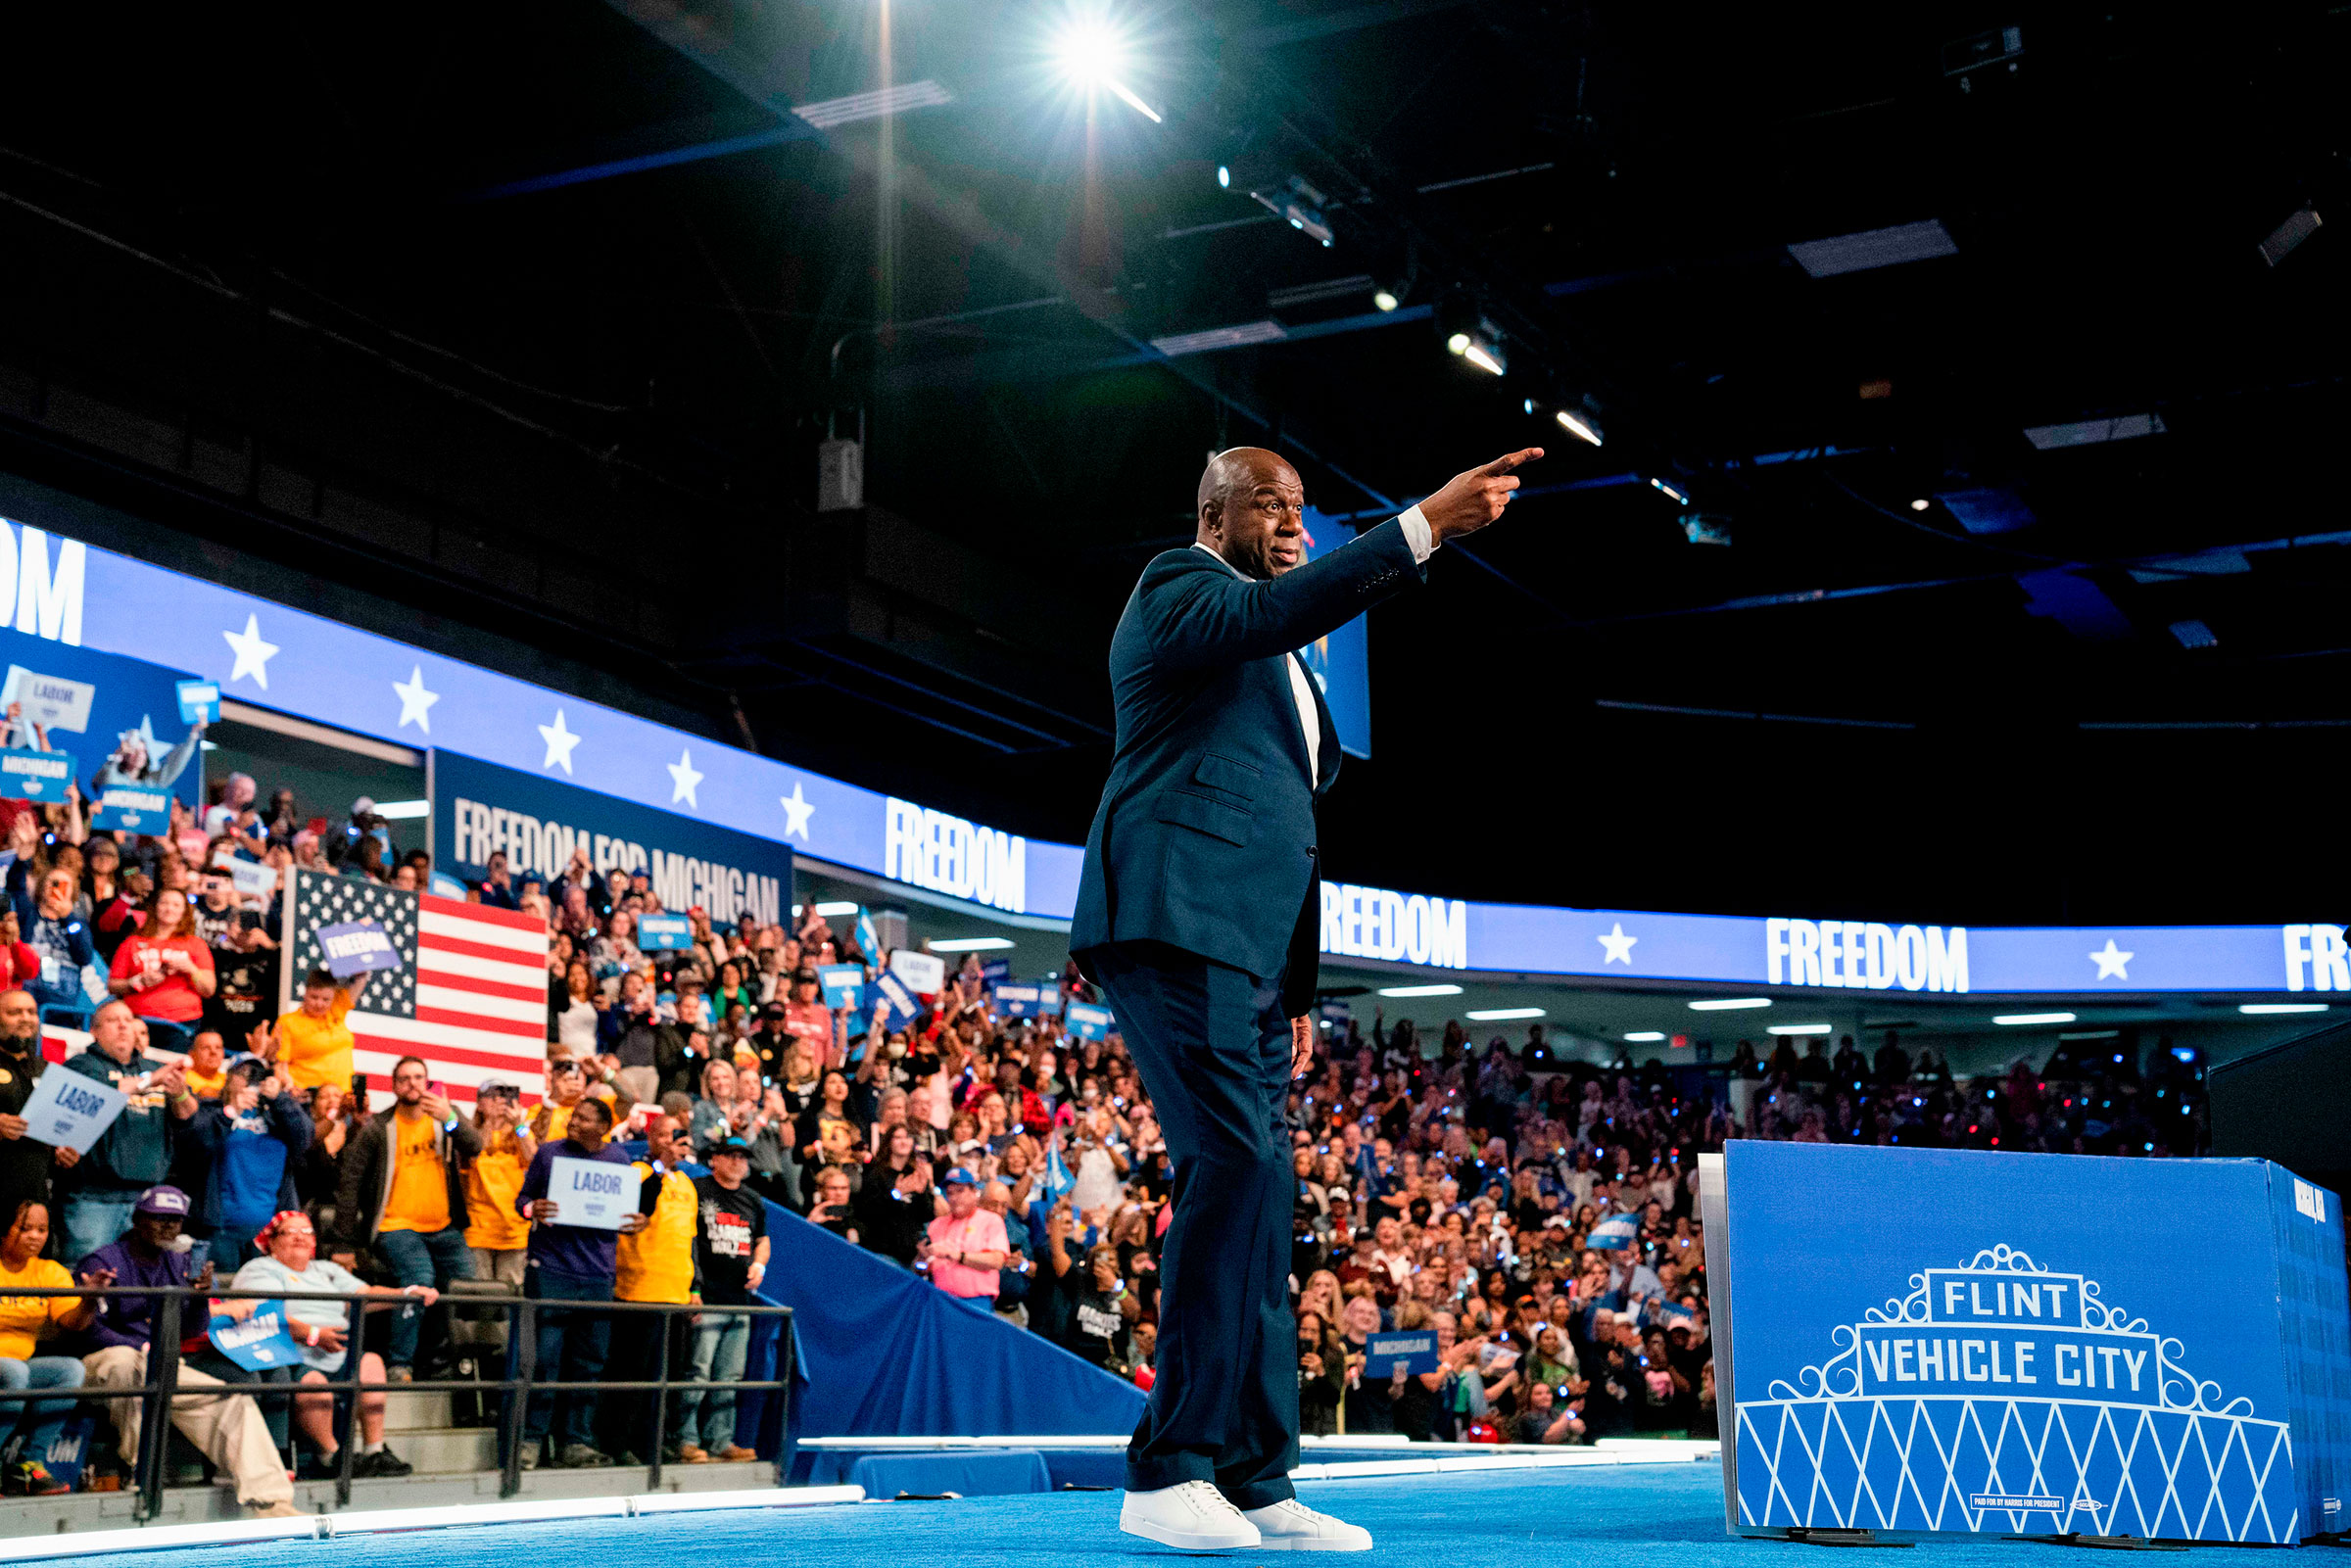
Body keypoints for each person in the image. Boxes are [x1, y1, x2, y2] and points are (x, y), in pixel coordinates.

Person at [1069, 444, 1537, 1551]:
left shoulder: (1289, 661)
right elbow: (1278, 610)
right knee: (1232, 1164)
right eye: (1267, 503)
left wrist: (1298, 991)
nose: (1291, 520)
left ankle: (1257, 1474)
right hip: (1169, 918)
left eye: (1301, 507)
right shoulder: (1179, 588)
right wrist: (1423, 523)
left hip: (1249, 954)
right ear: (1212, 511)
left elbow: (1291, 829)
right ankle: (1168, 1467)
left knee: (1265, 1191)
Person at [74, 1185, 302, 1517]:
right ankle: (143, 1478)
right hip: (105, 1360)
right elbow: (87, 1330)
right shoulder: (105, 1261)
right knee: (130, 1365)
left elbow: (193, 1329)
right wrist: (133, 1344)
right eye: (159, 1218)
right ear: (138, 1220)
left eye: (175, 1220)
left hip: (161, 1361)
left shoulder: (179, 1263)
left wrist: (199, 1297)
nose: (168, 1226)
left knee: (232, 1399)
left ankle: (272, 1503)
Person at [220, 1211, 426, 1478]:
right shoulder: (260, 1269)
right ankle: (332, 1456)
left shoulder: (326, 1270)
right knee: (315, 1384)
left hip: (337, 1351)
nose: (300, 1237)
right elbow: (265, 1313)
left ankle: (374, 1451)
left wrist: (407, 1294)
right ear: (271, 1242)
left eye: (306, 1232)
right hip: (289, 1354)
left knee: (372, 1363)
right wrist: (313, 1334)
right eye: (290, 1232)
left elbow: (364, 1295)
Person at [513, 1094, 646, 1469]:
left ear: (604, 1128)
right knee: (544, 1361)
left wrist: (638, 1222)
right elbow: (522, 1199)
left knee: (590, 1362)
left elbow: (630, 1215)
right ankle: (531, 1441)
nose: (574, 1123)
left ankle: (576, 1441)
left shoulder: (620, 1161)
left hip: (599, 1276)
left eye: (585, 1119)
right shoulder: (549, 1153)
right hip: (551, 1270)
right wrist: (530, 1209)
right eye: (574, 1116)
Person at [329, 1057, 481, 1379]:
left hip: (444, 1228)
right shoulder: (378, 1128)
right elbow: (349, 1184)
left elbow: (475, 1146)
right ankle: (401, 1363)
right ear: (395, 1086)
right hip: (395, 1227)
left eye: (418, 1077)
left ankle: (442, 1361)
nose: (412, 1083)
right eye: (405, 1078)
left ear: (427, 1082)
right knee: (419, 1280)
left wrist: (451, 1116)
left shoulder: (444, 1117)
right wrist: (343, 1243)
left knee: (464, 1286)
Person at [55, 1000, 201, 1264]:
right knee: (86, 1271)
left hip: (147, 1199)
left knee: (142, 1277)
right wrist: (151, 1081)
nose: (123, 1025)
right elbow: (103, 1093)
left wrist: (179, 1093)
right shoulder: (82, 1066)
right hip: (93, 1196)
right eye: (113, 1020)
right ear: (94, 1031)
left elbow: (188, 1114)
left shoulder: (153, 1069)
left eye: (128, 1019)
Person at [605, 1112, 698, 1464]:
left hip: (676, 1295)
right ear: (651, 1139)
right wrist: (660, 1167)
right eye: (665, 1136)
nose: (673, 1143)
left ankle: (655, 1444)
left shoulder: (688, 1185)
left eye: (678, 1137)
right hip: (638, 1292)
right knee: (632, 1377)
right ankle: (619, 1444)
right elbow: (636, 1207)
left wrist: (695, 1287)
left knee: (669, 1380)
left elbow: (690, 1240)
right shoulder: (639, 1173)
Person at [0, 1200, 103, 1495]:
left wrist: (89, 1299)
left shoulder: (49, 1272)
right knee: (15, 1373)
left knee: (69, 1370)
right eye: (25, 1228)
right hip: (9, 1368)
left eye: (42, 1229)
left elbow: (72, 1323)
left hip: (18, 1365)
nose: (35, 1236)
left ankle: (29, 1465)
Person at [679, 1134, 767, 1464]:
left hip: (739, 1300)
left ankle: (720, 1441)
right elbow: (686, 1240)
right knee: (698, 1372)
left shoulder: (753, 1200)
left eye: (743, 1157)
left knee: (728, 1376)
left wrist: (759, 1263)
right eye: (730, 1155)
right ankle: (686, 1440)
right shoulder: (697, 1190)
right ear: (714, 1159)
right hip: (708, 1297)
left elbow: (762, 1240)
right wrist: (694, 1289)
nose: (737, 1162)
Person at [181, 1059, 312, 1273]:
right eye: (243, 1072)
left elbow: (304, 1138)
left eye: (257, 1074)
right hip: (219, 1229)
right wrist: (231, 1111)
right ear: (229, 1077)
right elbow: (195, 1143)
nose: (250, 1079)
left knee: (263, 1300)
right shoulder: (212, 1110)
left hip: (270, 1232)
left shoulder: (276, 1117)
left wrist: (280, 1098)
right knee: (219, 1299)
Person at [0, 991, 71, 1227]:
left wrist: (64, 1148)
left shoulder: (47, 1069)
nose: (26, 1018)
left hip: (34, 1195)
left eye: (31, 1012)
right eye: (14, 1012)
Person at [461, 1082, 535, 1289]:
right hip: (479, 1228)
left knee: (509, 1298)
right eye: (491, 1096)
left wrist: (518, 1125)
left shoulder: (520, 1134)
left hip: (513, 1230)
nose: (498, 1101)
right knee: (480, 1299)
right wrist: (489, 1123)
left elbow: (532, 1158)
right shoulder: (470, 1133)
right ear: (479, 1104)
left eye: (504, 1095)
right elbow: (471, 1159)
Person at [257, 967, 371, 1096]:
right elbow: (280, 1064)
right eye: (314, 997)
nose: (319, 1004)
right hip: (308, 1097)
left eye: (326, 999)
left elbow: (360, 982)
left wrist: (361, 971)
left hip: (342, 1096)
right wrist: (288, 1084)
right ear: (305, 993)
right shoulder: (288, 1022)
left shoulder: (336, 1011)